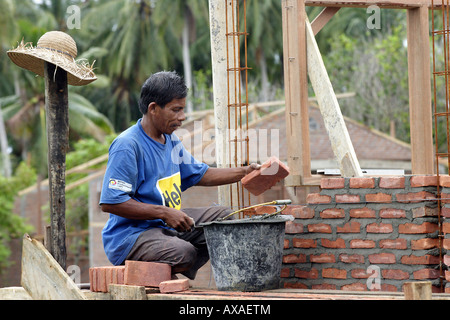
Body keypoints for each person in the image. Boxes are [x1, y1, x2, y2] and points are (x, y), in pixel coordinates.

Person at [99, 71, 260, 280]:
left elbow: (202, 174)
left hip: (162, 226)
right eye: (176, 110)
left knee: (224, 218)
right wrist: (165, 213)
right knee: (184, 252)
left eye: (182, 109)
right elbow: (110, 203)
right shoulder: (128, 145)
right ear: (154, 109)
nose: (182, 117)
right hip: (131, 236)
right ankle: (154, 272)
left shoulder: (170, 140)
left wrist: (245, 172)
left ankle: (171, 263)